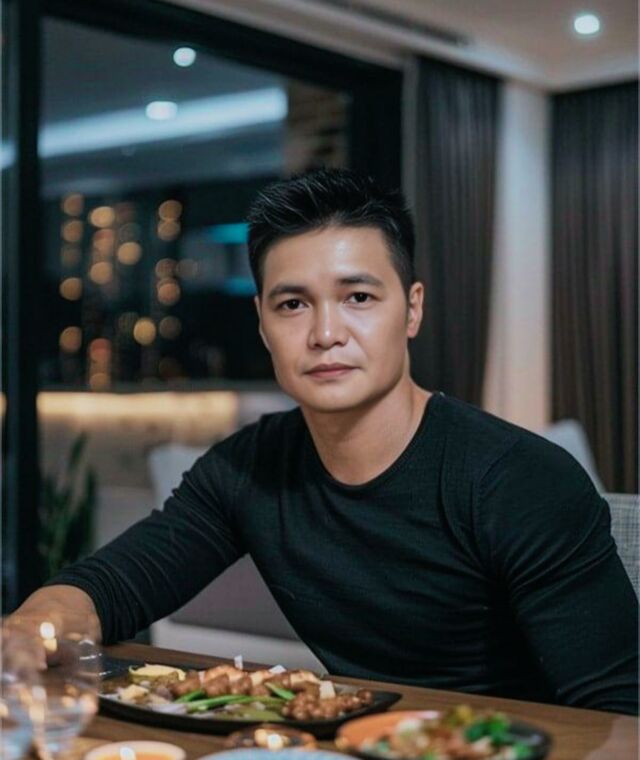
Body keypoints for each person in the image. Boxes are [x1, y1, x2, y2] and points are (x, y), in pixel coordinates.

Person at [8, 168, 638, 714]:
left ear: (411, 309)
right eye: (293, 305)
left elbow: (622, 713)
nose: (326, 333)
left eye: (358, 296)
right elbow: (113, 588)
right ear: (262, 324)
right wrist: (37, 624)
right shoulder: (248, 469)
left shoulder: (519, 479)